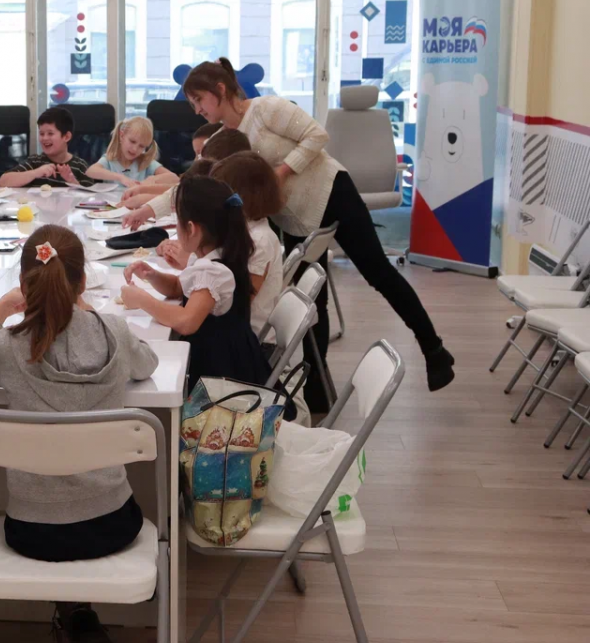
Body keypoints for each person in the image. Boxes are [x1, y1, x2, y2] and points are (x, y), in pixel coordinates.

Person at [0, 225, 158, 643]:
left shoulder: (11, 346)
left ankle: (74, 627)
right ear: (83, 282)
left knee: (54, 513)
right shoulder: (114, 332)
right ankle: (80, 625)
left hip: (33, 531)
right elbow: (147, 365)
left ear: (25, 286)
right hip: (112, 523)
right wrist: (88, 311)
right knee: (82, 508)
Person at [181, 58, 456, 404]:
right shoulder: (225, 138)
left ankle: (434, 349)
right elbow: (199, 181)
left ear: (220, 90)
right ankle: (318, 391)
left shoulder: (266, 109)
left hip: (332, 192)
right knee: (314, 300)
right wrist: (148, 208)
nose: (197, 110)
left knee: (379, 273)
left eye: (199, 100)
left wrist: (279, 173)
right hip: (294, 219)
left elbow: (317, 136)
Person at [121, 175, 272, 392]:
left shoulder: (213, 271)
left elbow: (186, 321)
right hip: (222, 361)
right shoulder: (212, 255)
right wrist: (152, 275)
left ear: (191, 229)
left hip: (223, 376)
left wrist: (141, 300)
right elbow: (179, 288)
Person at [208, 152, 286, 340]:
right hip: (230, 330)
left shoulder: (260, 240)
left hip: (247, 340)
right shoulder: (242, 229)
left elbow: (238, 304)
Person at [122, 129, 252, 212]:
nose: (197, 160)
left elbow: (187, 199)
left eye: (200, 154)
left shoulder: (225, 192)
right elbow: (180, 188)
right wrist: (142, 190)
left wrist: (145, 199)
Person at [0, 108, 93, 188]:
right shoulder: (35, 162)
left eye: (50, 133)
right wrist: (36, 173)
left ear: (66, 137)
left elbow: (91, 197)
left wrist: (72, 181)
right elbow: (3, 182)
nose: (44, 138)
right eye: (41, 134)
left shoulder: (80, 166)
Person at [86, 116, 173, 187]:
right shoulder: (110, 159)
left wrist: (153, 179)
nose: (135, 149)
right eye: (132, 141)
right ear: (122, 136)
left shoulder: (146, 162)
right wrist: (120, 177)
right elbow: (90, 171)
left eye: (141, 146)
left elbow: (174, 178)